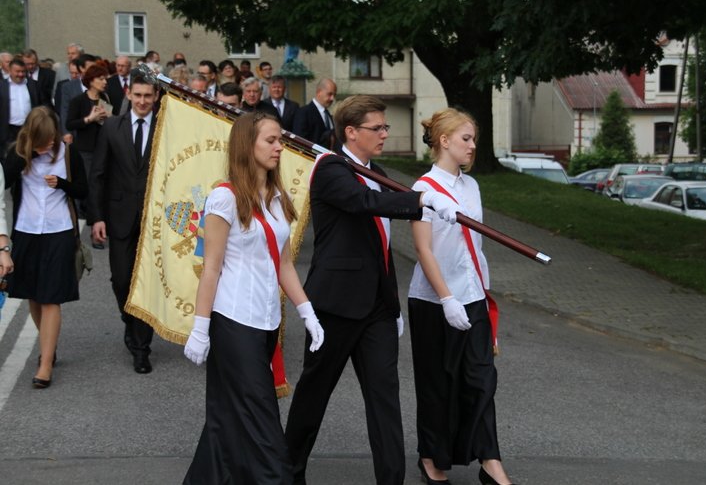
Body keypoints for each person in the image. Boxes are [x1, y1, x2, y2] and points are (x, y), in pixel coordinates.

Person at [284, 95, 461, 485]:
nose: (384, 133)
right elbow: (363, 202)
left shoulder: (377, 172)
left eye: (385, 127)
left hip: (377, 309)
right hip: (334, 305)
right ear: (351, 132)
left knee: (385, 400)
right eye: (376, 128)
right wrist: (422, 199)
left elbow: (382, 246)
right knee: (314, 394)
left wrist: (392, 305)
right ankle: (288, 472)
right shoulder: (330, 168)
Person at [182, 111, 325, 484]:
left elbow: (284, 264)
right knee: (263, 422)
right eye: (271, 140)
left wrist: (307, 312)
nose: (280, 147)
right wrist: (200, 328)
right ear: (248, 145)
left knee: (226, 419)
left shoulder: (277, 198)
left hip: (266, 322)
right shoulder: (224, 198)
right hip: (233, 323)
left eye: (280, 140)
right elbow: (211, 268)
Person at [408, 108, 514, 485]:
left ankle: (490, 460)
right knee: (437, 382)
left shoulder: (472, 186)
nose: (472, 146)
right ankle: (430, 457)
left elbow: (475, 248)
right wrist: (446, 298)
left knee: (482, 378)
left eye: (474, 140)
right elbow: (423, 249)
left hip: (472, 294)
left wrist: (479, 292)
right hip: (433, 300)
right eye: (466, 139)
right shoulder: (423, 188)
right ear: (444, 141)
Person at [3, 106, 87, 389]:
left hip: (58, 231)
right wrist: (27, 155)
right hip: (26, 230)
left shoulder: (68, 153)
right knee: (33, 295)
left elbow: (83, 190)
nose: (51, 142)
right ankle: (48, 344)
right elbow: (5, 181)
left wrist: (62, 184)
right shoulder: (18, 153)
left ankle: (46, 363)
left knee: (51, 297)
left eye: (53, 136)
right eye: (45, 139)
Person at [87, 74, 158, 374]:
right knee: (121, 280)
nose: (142, 101)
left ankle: (141, 348)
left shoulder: (164, 127)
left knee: (146, 285)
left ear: (156, 97)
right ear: (128, 94)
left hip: (153, 220)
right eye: (137, 95)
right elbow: (98, 174)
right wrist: (97, 217)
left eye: (148, 96)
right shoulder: (112, 127)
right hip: (118, 217)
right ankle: (130, 320)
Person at [1, 58, 43, 159]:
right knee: (10, 157)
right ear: (10, 70)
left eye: (23, 71)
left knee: (29, 156)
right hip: (9, 130)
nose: (20, 74)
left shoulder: (33, 85)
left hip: (28, 128)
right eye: (17, 71)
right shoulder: (2, 86)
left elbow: (40, 104)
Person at [292, 78, 336, 148]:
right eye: (329, 94)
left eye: (334, 95)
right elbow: (299, 141)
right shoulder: (304, 113)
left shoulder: (328, 115)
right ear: (319, 92)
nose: (332, 98)